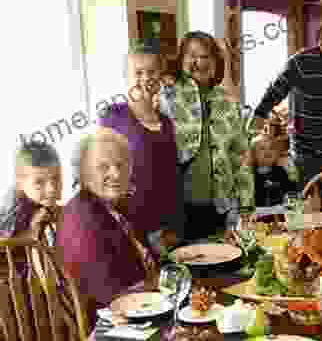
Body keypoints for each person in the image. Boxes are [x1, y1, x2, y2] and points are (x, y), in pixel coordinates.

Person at [252, 3, 322, 188]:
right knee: (309, 214)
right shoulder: (301, 62)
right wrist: (257, 121)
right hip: (306, 158)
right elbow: (274, 92)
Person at [159, 31, 253, 241]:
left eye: (206, 56)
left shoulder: (228, 103)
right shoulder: (167, 95)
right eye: (192, 55)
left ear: (216, 63)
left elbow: (241, 156)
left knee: (220, 263)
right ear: (181, 60)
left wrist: (246, 204)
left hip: (220, 207)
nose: (199, 61)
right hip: (178, 208)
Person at [58, 128, 158, 324]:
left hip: (145, 308)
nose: (116, 173)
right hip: (115, 327)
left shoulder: (113, 205)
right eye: (103, 166)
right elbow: (112, 295)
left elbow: (150, 261)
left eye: (121, 165)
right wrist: (164, 285)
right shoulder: (82, 219)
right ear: (83, 172)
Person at [99, 40, 182, 253]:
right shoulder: (113, 115)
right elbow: (98, 169)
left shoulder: (166, 123)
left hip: (163, 232)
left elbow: (172, 178)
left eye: (152, 72)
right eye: (138, 72)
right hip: (127, 230)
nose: (146, 78)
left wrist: (174, 227)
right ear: (127, 77)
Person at [0, 141, 62, 246]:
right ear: (20, 183)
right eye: (39, 182)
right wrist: (32, 232)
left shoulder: (39, 201)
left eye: (55, 178)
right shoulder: (16, 207)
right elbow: (4, 242)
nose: (51, 188)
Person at [251, 133, 297, 208]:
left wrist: (290, 170)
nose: (267, 152)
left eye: (271, 148)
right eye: (262, 149)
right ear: (254, 154)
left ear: (277, 153)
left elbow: (291, 189)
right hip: (257, 213)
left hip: (278, 212)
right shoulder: (251, 174)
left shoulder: (280, 171)